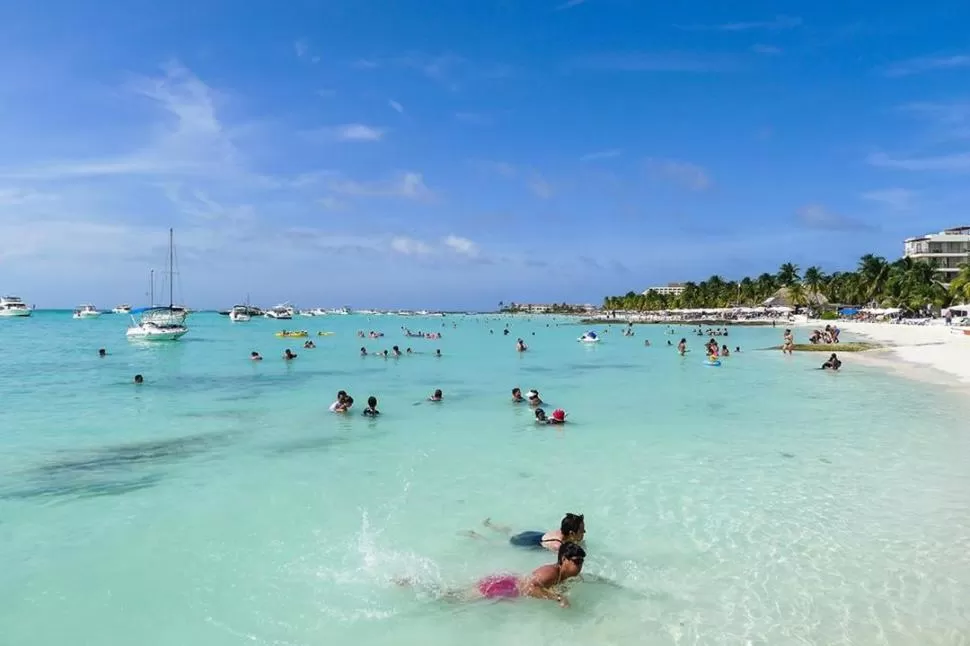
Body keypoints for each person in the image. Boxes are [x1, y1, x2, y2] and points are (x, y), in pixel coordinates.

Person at [402, 542, 586, 607]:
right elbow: (530, 588)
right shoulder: (549, 573)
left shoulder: (564, 574)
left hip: (507, 581)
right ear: (564, 560)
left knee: (453, 593)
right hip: (504, 586)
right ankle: (415, 582)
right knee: (452, 599)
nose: (580, 565)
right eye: (576, 561)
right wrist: (557, 598)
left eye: (582, 561)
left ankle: (416, 582)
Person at [484, 513, 586, 553]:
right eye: (582, 531)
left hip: (534, 534)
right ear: (572, 533)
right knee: (501, 544)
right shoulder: (557, 545)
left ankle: (489, 525)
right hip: (528, 541)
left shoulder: (563, 531)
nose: (584, 532)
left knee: (510, 532)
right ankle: (476, 536)